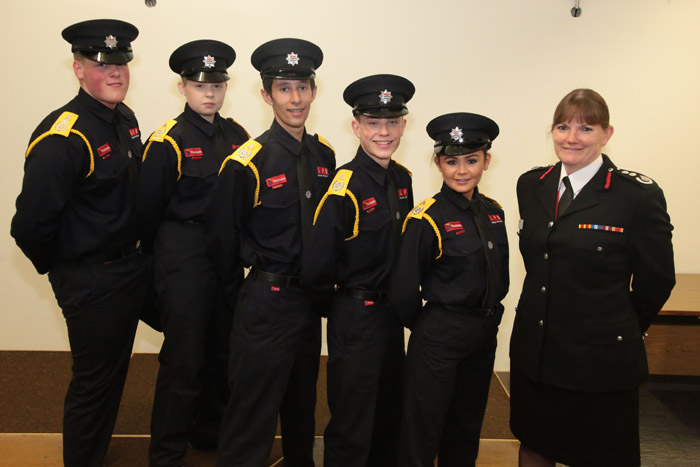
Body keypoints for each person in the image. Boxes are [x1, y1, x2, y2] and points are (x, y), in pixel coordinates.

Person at [509, 89, 675, 467]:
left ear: (607, 133)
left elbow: (658, 279)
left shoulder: (635, 196)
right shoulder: (531, 184)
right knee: (535, 443)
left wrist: (619, 325)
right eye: (563, 126)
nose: (572, 137)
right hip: (537, 349)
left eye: (586, 128)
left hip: (599, 358)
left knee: (601, 453)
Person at [10, 19, 150, 467]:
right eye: (101, 63)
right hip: (92, 280)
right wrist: (71, 273)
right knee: (93, 385)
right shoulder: (62, 136)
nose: (115, 72)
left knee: (114, 378)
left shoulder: (124, 119)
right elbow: (30, 225)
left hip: (131, 270)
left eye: (121, 63)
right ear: (77, 68)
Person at [207, 38, 336, 467]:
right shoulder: (247, 162)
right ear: (266, 95)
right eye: (284, 88)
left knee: (302, 407)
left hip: (308, 302)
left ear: (314, 90)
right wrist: (240, 306)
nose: (295, 98)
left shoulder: (325, 156)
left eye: (302, 87)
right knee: (252, 413)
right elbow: (222, 245)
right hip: (265, 302)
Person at [138, 39, 250, 466]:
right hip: (183, 255)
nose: (210, 93)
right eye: (200, 85)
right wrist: (163, 264)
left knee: (223, 350)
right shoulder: (168, 140)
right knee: (184, 358)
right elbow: (147, 213)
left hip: (226, 256)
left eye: (217, 85)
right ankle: (166, 452)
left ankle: (210, 433)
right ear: (182, 87)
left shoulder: (238, 135)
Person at [302, 74, 415, 467]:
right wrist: (339, 309)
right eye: (373, 123)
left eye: (392, 122)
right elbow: (316, 265)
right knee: (353, 419)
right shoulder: (344, 185)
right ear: (357, 127)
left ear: (403, 125)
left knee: (388, 412)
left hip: (390, 315)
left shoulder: (402, 179)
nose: (383, 132)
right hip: (355, 315)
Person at [389, 112, 509, 467]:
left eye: (471, 160)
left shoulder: (494, 213)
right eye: (451, 161)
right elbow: (402, 292)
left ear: (486, 161)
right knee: (423, 427)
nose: (461, 170)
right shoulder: (427, 218)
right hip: (440, 335)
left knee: (466, 424)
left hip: (483, 333)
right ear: (438, 163)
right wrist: (433, 327)